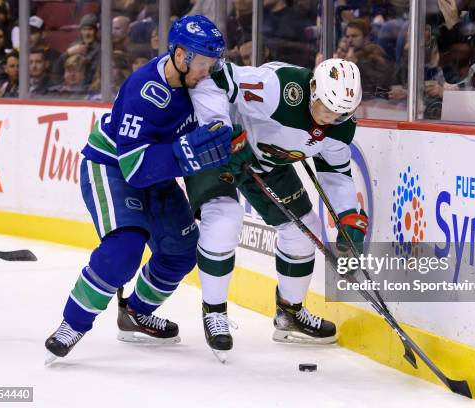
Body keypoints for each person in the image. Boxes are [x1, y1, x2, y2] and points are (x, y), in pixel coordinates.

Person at [44, 15, 232, 364]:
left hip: (157, 167)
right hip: (114, 166)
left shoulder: (202, 81)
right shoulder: (144, 89)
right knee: (124, 248)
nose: (208, 70)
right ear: (180, 56)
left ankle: (135, 312)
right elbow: (135, 167)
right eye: (203, 63)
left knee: (181, 250)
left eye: (213, 62)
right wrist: (188, 153)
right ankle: (73, 324)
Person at [186, 58, 367, 361]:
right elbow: (212, 78)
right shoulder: (277, 87)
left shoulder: (340, 126)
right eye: (326, 107)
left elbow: (335, 172)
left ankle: (289, 314)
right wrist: (221, 128)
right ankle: (214, 311)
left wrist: (348, 215)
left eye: (340, 114)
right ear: (313, 88)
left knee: (303, 230)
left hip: (267, 164)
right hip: (221, 148)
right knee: (224, 219)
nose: (330, 118)